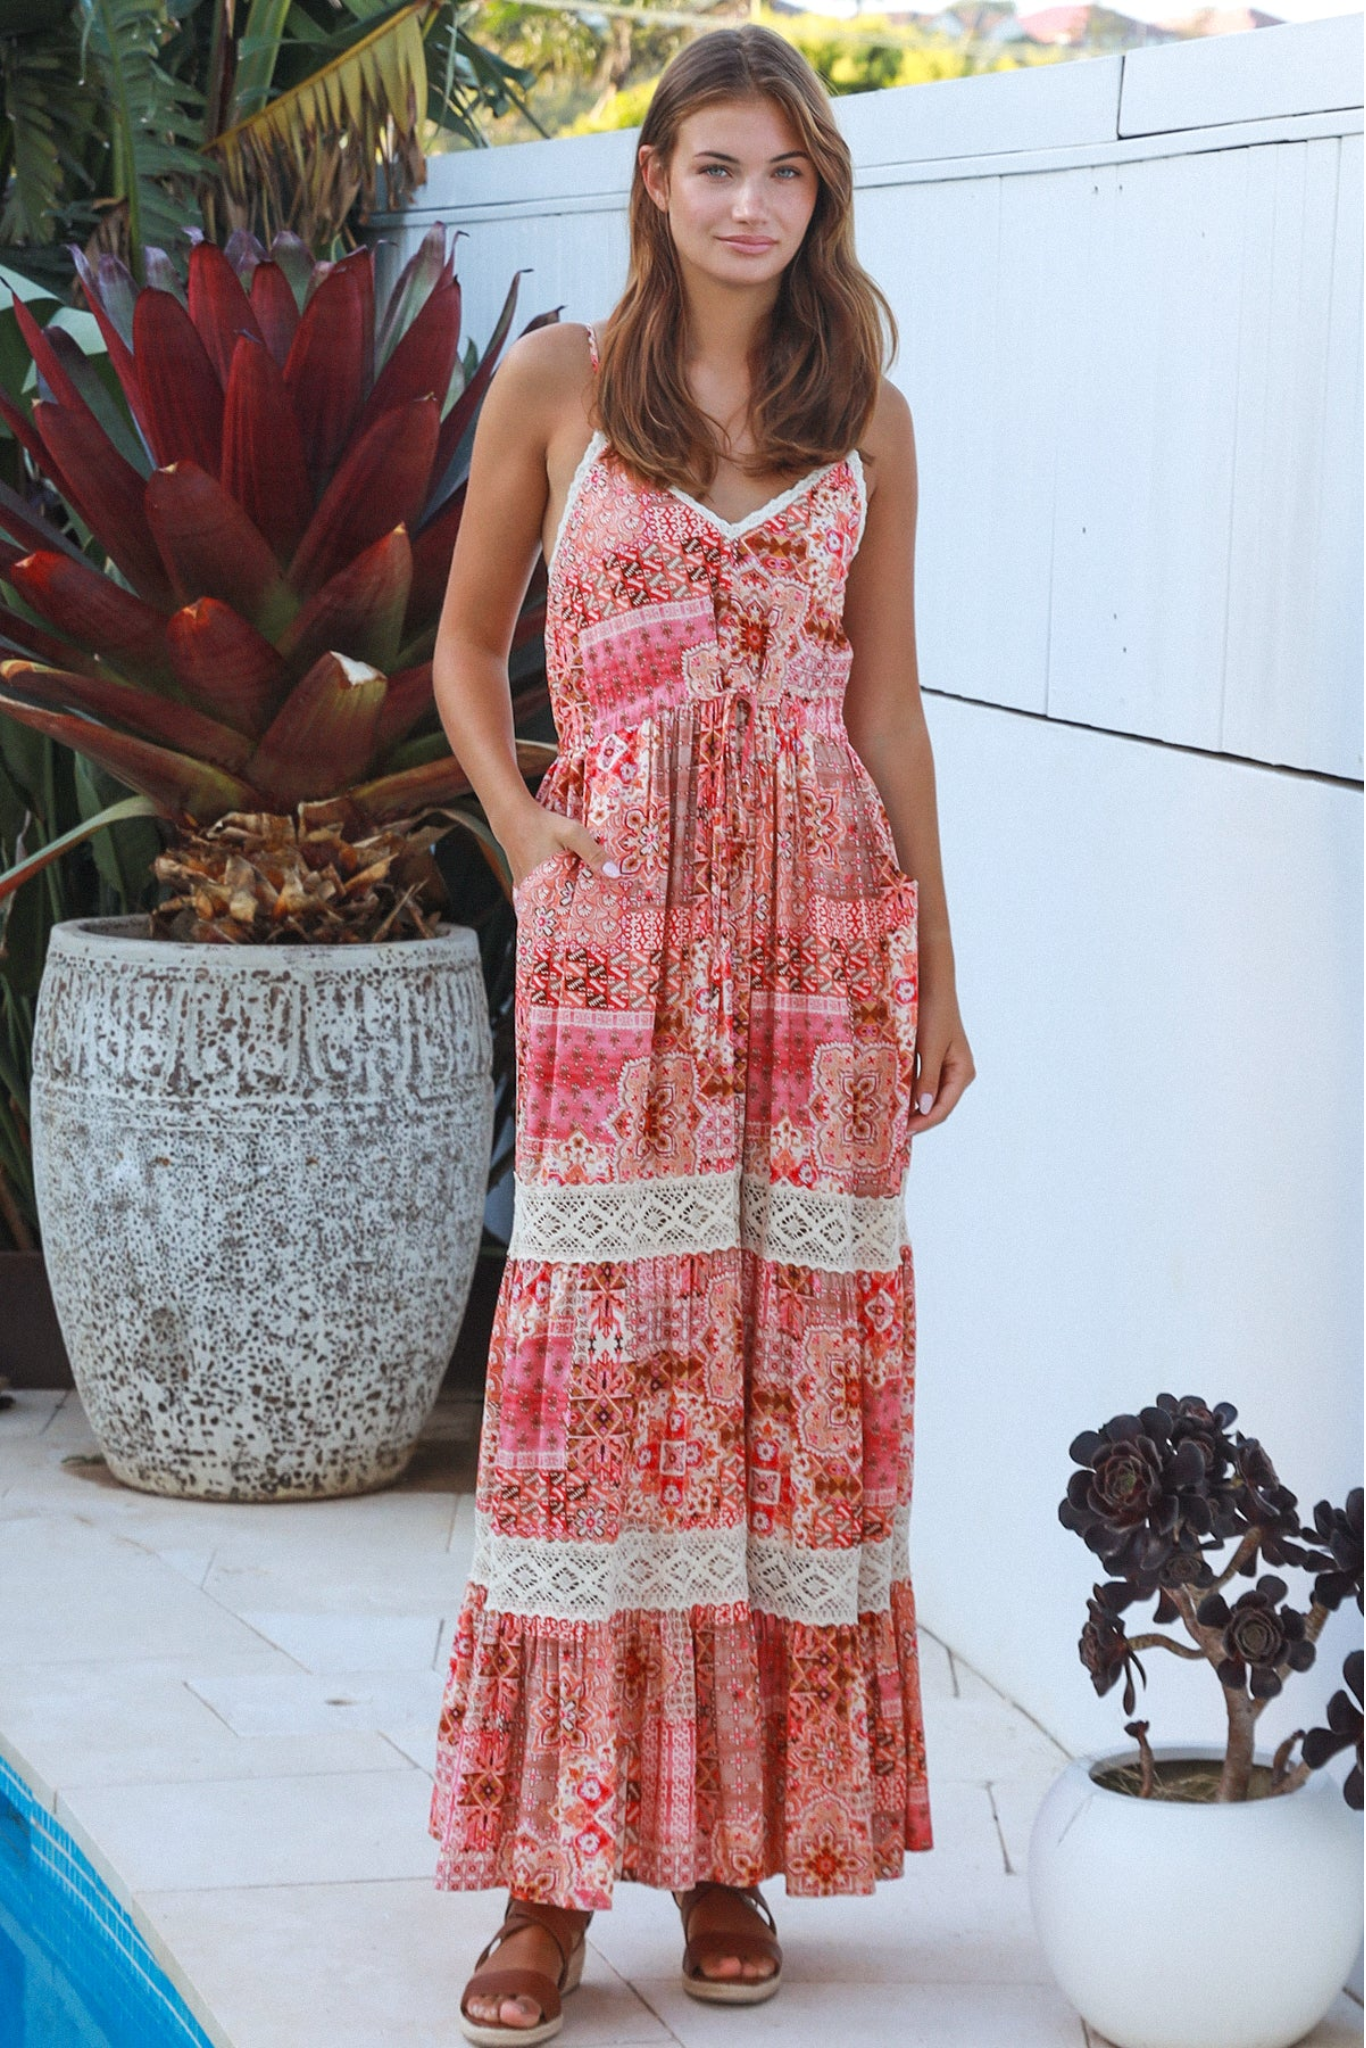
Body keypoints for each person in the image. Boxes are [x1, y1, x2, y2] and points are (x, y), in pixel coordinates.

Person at [429, 23, 975, 2043]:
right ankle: (544, 1879)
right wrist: (519, 826)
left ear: (818, 196)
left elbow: (886, 711)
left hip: (818, 936)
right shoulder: (562, 383)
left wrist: (932, 965)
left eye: (788, 174)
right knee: (593, 1384)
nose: (754, 205)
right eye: (718, 167)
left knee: (776, 1382)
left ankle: (726, 1853)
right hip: (617, 931)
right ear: (653, 176)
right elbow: (465, 642)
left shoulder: (866, 416)